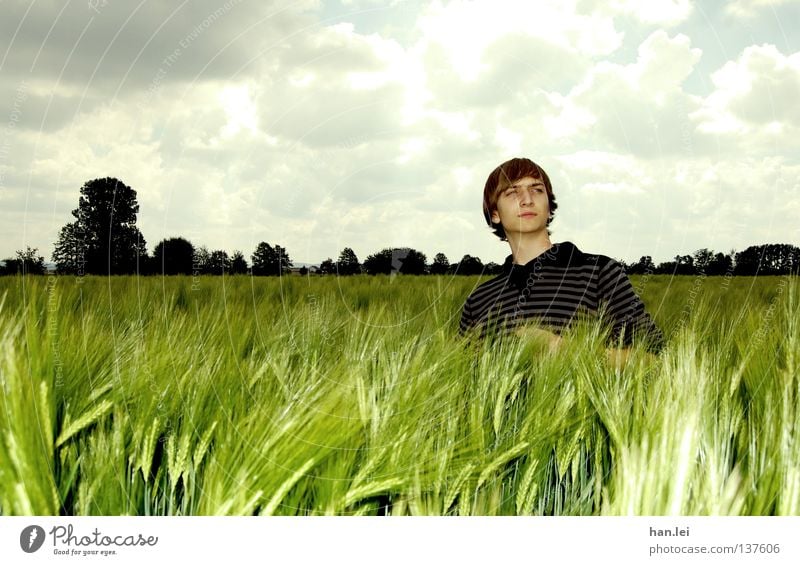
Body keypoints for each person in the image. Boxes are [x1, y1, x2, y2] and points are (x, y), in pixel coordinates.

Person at [458, 157, 663, 360]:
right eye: (512, 192)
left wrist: (564, 350)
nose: (527, 199)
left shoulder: (599, 272)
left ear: (549, 207)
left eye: (537, 190)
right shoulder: (478, 301)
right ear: (495, 214)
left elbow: (656, 360)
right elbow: (464, 381)